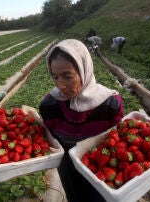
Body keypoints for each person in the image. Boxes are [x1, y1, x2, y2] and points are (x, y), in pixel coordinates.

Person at [39, 39, 124, 202]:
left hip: (102, 170)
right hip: (68, 169)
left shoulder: (110, 104)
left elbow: (121, 141)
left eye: (67, 76)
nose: (61, 85)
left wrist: (147, 168)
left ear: (84, 69)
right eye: (55, 77)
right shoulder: (49, 105)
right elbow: (49, 140)